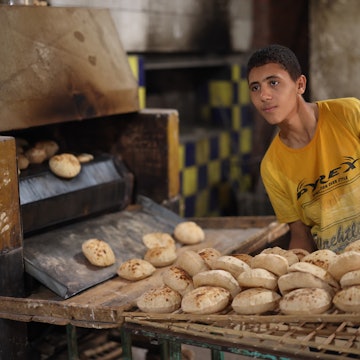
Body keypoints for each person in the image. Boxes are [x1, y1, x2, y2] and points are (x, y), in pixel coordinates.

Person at [246, 44, 360, 253]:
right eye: (255, 87)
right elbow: (301, 237)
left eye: (273, 82)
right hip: (339, 274)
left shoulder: (348, 114)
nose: (264, 95)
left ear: (300, 85)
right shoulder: (272, 166)